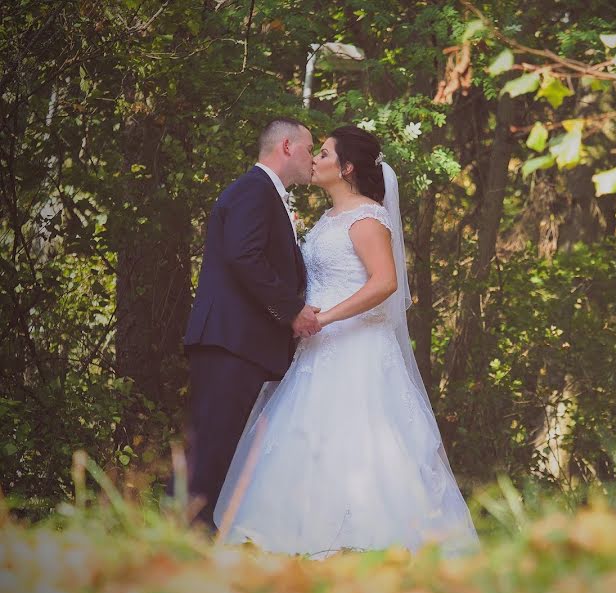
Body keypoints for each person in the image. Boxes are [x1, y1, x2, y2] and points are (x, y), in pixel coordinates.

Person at [213, 125, 479, 557]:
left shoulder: (367, 217)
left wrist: (326, 319)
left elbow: (385, 282)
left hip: (356, 348)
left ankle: (369, 545)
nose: (315, 159)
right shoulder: (328, 219)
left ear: (347, 167)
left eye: (324, 153)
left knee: (363, 439)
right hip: (316, 348)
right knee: (301, 440)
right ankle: (294, 544)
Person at [181, 118, 321, 530]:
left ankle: (194, 535)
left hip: (241, 344)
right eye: (310, 149)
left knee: (221, 449)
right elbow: (244, 256)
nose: (313, 159)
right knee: (210, 448)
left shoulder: (264, 194)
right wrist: (292, 309)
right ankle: (185, 540)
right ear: (287, 146)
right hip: (229, 342)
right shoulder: (253, 190)